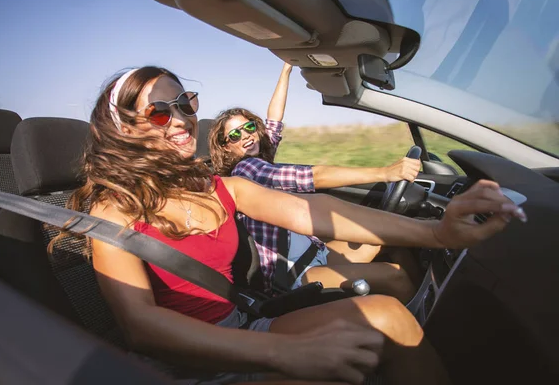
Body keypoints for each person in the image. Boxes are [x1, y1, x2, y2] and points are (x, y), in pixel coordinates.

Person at [55, 65, 526, 385]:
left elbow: (313, 210)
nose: (180, 119)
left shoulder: (217, 185)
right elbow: (141, 327)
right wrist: (285, 354)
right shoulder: (113, 211)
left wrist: (438, 232)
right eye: (160, 111)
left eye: (185, 103)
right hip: (187, 365)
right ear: (125, 128)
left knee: (389, 315)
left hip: (243, 328)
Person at [208, 63, 422, 300]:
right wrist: (386, 172)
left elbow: (274, 120)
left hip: (315, 253)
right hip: (294, 275)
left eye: (248, 127)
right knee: (395, 276)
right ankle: (423, 326)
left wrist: (286, 70)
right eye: (235, 135)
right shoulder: (246, 169)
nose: (246, 136)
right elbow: (311, 177)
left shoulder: (260, 158)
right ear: (226, 147)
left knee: (390, 238)